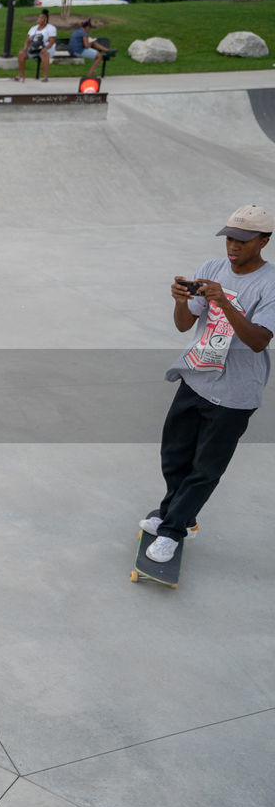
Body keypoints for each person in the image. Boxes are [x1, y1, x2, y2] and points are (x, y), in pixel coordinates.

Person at [141, 204, 274, 564]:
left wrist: (223, 302)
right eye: (230, 238)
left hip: (234, 393)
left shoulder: (270, 283)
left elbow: (259, 340)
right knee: (174, 455)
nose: (233, 246)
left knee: (205, 469)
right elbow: (185, 325)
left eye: (244, 241)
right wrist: (181, 300)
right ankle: (175, 513)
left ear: (264, 240)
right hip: (196, 377)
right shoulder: (211, 269)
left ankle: (172, 530)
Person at [15, 9, 56, 82]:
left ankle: (45, 77)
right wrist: (25, 49)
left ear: (45, 19)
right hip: (34, 48)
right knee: (21, 54)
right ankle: (21, 75)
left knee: (44, 53)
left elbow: (51, 41)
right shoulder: (33, 28)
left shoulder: (51, 28)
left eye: (41, 18)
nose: (39, 19)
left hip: (47, 49)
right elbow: (27, 40)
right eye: (39, 18)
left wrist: (45, 48)